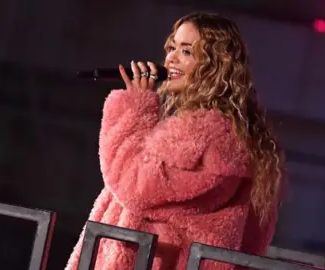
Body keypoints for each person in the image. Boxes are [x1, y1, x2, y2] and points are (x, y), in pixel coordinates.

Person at [65, 12, 285, 270]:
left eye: (187, 52)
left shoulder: (203, 133)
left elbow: (134, 187)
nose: (171, 58)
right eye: (172, 47)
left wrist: (135, 106)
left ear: (215, 67)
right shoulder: (232, 132)